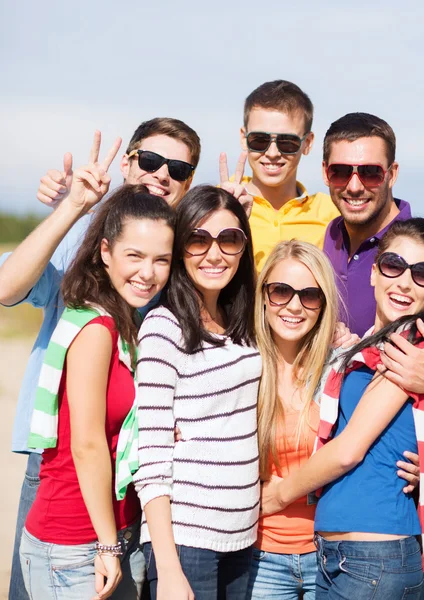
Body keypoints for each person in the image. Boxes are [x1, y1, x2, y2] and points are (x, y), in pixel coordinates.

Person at [0, 118, 201, 600]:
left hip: (137, 472)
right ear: (128, 162)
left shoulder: (176, 260)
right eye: (150, 160)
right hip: (59, 464)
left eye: (177, 168)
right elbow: (9, 288)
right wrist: (72, 206)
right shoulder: (87, 242)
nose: (161, 174)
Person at [262, 218, 424, 599]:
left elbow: (348, 449)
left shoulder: (414, 348)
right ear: (374, 273)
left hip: (372, 557)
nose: (403, 281)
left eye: (422, 273)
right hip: (352, 555)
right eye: (393, 265)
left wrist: (278, 495)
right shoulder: (370, 346)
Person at [320, 112, 424, 599]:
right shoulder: (326, 238)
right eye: (341, 171)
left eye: (370, 172)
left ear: (392, 174)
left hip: (409, 481)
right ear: (325, 171)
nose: (355, 184)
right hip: (341, 482)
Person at [19, 177, 176, 599]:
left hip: (111, 534)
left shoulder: (129, 323)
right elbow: (87, 443)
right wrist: (107, 543)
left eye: (162, 259)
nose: (148, 273)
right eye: (135, 256)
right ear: (105, 252)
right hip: (75, 542)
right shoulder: (96, 326)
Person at [249, 240, 419, 600]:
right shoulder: (241, 368)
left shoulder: (344, 366)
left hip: (329, 558)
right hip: (259, 557)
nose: (294, 306)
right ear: (263, 296)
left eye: (309, 295)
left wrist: (420, 471)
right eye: (280, 291)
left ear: (323, 305)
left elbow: (378, 435)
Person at [124, 185, 261, 599]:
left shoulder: (245, 323)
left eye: (229, 239)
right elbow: (152, 456)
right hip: (186, 541)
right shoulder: (165, 327)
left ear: (244, 248)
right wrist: (166, 566)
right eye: (198, 239)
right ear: (181, 247)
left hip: (243, 537)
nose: (214, 253)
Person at [235, 80, 340, 271]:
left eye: (287, 142)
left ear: (307, 143)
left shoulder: (332, 214)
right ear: (244, 138)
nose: (273, 153)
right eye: (259, 140)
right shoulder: (218, 203)